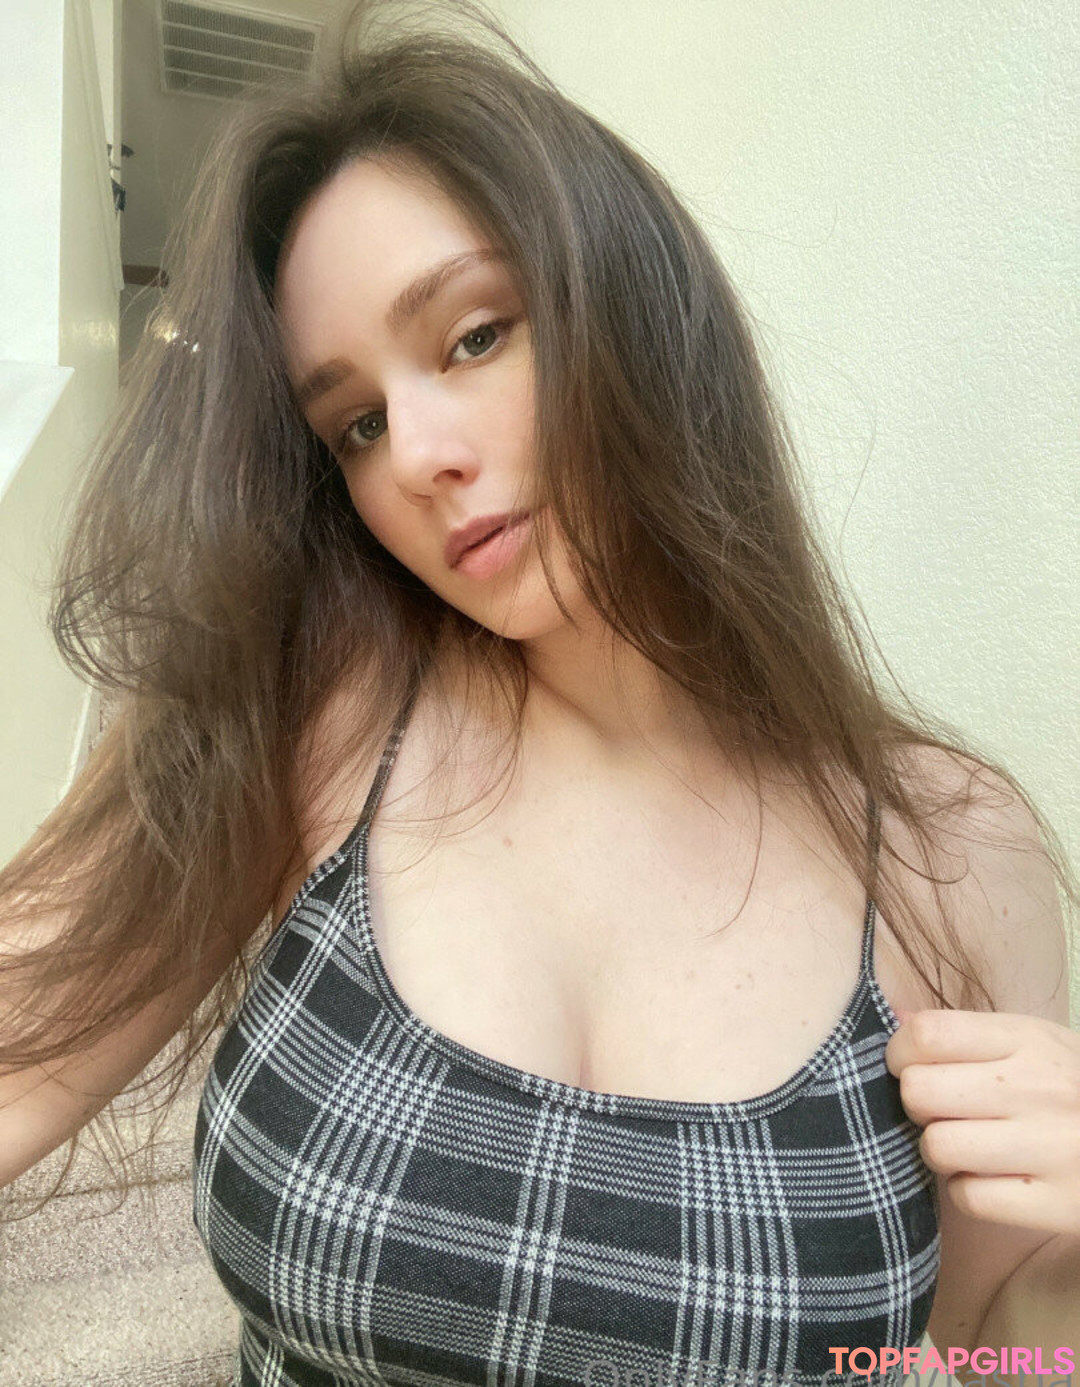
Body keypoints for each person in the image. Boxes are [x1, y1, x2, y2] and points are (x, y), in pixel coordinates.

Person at [1, 2, 1077, 1384]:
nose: (414, 458)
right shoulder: (324, 706)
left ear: (636, 297)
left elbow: (991, 1359)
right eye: (355, 425)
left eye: (472, 337)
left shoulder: (952, 855)